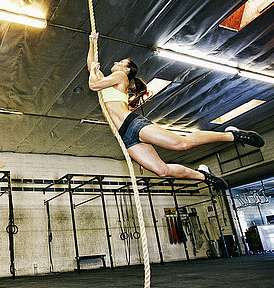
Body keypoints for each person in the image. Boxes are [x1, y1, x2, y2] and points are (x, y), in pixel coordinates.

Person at [87, 32, 264, 190]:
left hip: (133, 125)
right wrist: (92, 42)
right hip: (125, 135)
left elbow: (93, 84)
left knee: (182, 144)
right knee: (162, 171)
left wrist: (94, 72)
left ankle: (233, 135)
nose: (116, 62)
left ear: (126, 70)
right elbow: (91, 66)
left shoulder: (120, 77)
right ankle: (204, 176)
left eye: (121, 62)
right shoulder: (107, 82)